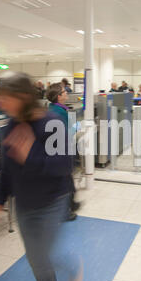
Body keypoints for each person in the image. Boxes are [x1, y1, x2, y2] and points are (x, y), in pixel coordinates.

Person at [0, 72, 82, 281]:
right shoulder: (12, 124)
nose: (1, 103)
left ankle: (73, 267)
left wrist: (29, 157)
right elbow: (8, 166)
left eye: (6, 97)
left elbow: (64, 165)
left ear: (22, 97)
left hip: (52, 201)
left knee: (43, 255)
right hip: (24, 203)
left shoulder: (52, 121)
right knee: (35, 259)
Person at [46, 82, 82, 221]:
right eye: (64, 91)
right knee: (64, 181)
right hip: (61, 151)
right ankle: (65, 211)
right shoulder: (59, 112)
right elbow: (66, 133)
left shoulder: (53, 109)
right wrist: (76, 126)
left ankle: (72, 204)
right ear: (59, 96)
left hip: (58, 150)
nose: (67, 92)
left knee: (67, 179)